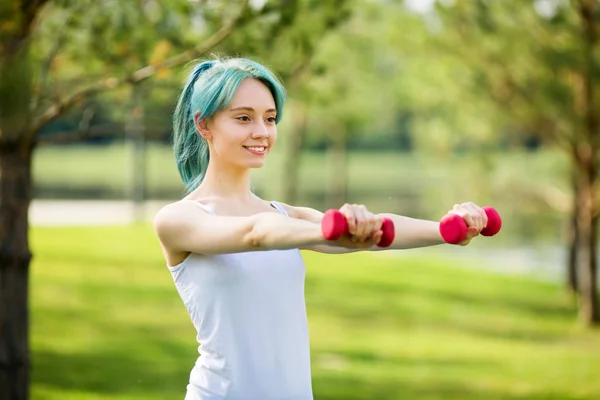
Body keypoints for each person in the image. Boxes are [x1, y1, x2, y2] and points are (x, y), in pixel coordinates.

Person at [153, 57, 488, 400]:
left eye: (270, 119)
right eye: (244, 118)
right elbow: (254, 234)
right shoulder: (179, 219)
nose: (262, 131)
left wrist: (449, 230)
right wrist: (329, 231)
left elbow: (379, 230)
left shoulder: (286, 215)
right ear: (203, 125)